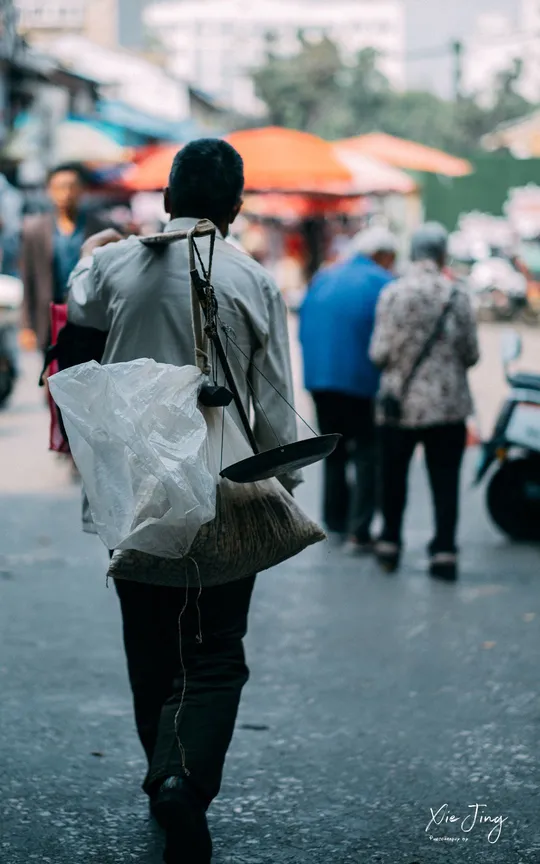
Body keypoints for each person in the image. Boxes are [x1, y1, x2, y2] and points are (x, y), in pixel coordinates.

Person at [66, 140, 300, 864]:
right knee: (217, 651)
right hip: (228, 485)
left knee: (150, 645)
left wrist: (94, 247)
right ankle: (183, 780)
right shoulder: (252, 278)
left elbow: (76, 315)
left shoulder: (114, 266)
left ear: (166, 198)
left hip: (136, 491)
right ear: (235, 205)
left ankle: (164, 772)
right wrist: (282, 486)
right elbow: (272, 400)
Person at [370, 222, 479, 581]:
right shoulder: (458, 295)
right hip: (447, 406)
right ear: (443, 254)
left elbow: (379, 353)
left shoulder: (392, 294)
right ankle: (444, 552)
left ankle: (389, 544)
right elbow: (471, 354)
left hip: (398, 405)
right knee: (445, 480)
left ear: (411, 253)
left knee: (393, 478)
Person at [299, 226, 397, 551]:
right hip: (360, 381)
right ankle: (360, 528)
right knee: (368, 452)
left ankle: (335, 521)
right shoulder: (383, 283)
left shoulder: (325, 276)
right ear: (382, 256)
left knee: (334, 452)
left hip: (320, 379)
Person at [20, 162, 111, 354]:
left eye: (72, 186)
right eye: (60, 187)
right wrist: (27, 325)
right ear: (50, 191)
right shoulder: (35, 230)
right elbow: (28, 279)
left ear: (81, 190)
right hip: (51, 314)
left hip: (88, 314)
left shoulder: (100, 227)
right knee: (52, 373)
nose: (67, 193)